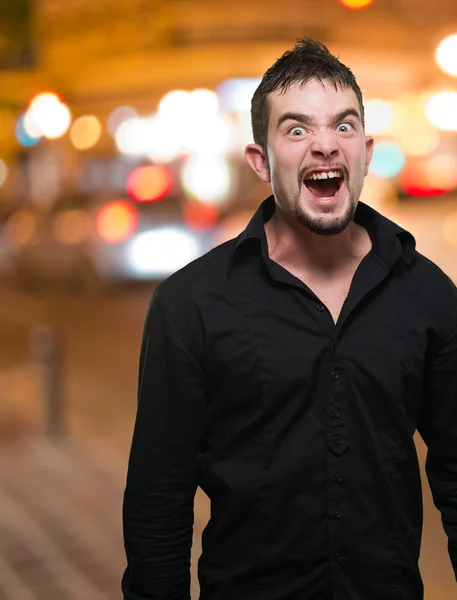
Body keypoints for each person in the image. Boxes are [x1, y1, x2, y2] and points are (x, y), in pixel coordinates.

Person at [122, 38, 457, 600]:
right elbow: (160, 501)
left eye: (343, 126)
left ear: (366, 152)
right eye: (297, 130)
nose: (325, 145)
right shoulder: (190, 305)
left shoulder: (427, 294)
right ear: (261, 160)